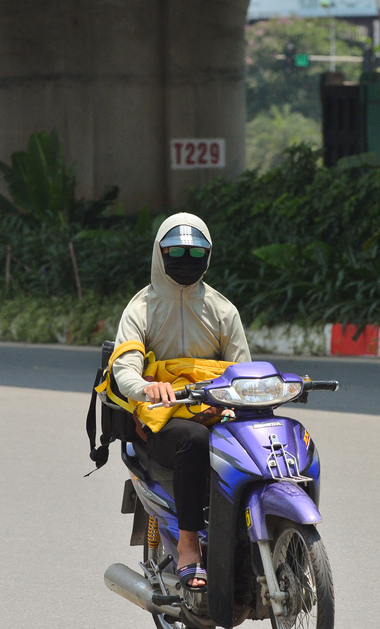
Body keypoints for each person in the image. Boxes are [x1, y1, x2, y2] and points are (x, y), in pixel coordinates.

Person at [112, 212, 250, 589]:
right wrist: (145, 388)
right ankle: (189, 545)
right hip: (162, 420)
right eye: (175, 251)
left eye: (195, 252)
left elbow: (244, 371)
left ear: (209, 254)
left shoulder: (223, 311)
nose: (186, 259)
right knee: (193, 439)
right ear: (160, 253)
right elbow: (124, 367)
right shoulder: (140, 309)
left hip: (214, 411)